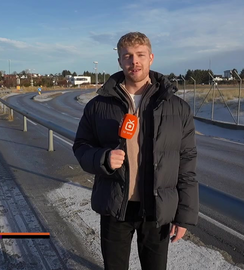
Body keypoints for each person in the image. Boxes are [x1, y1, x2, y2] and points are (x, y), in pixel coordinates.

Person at [72, 32, 198, 270]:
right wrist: (103, 158)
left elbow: (187, 162)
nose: (134, 61)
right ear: (120, 61)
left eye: (140, 55)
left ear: (150, 57)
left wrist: (184, 215)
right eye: (127, 56)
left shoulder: (177, 108)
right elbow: (81, 147)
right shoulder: (98, 106)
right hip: (115, 206)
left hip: (157, 209)